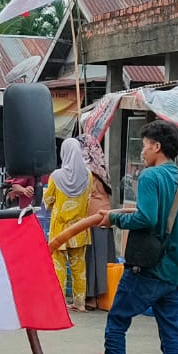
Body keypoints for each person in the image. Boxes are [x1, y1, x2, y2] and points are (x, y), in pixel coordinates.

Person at [85, 120, 178, 354]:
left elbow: (146, 219)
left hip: (145, 270)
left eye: (146, 145)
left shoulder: (150, 177)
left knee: (117, 323)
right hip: (174, 272)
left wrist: (114, 219)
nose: (143, 150)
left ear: (157, 147)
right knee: (171, 333)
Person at [44, 138, 94, 311]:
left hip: (59, 229)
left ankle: (60, 303)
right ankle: (79, 303)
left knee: (58, 266)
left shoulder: (56, 176)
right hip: (80, 229)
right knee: (79, 266)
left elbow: (48, 200)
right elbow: (89, 198)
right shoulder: (88, 175)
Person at [79, 133, 115, 311]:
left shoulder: (87, 170)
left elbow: (83, 196)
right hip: (106, 216)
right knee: (104, 258)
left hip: (92, 218)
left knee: (91, 259)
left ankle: (91, 298)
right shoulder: (101, 167)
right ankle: (105, 297)